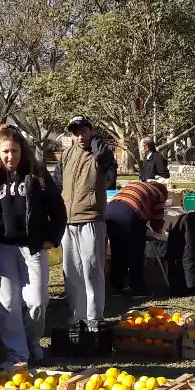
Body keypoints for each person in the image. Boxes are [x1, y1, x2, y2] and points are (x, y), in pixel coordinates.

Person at [0, 125, 67, 367]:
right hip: (3, 247)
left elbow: (58, 209)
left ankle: (31, 341)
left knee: (37, 301)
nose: (10, 156)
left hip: (32, 247)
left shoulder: (36, 174)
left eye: (14, 151)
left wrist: (52, 237)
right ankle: (17, 354)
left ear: (22, 150)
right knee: (7, 303)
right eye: (5, 151)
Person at [54, 116, 116, 330]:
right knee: (71, 270)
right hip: (69, 221)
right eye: (75, 132)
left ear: (90, 130)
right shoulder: (68, 154)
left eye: (84, 131)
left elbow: (107, 159)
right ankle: (77, 316)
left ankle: (94, 317)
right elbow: (58, 181)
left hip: (91, 218)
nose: (80, 136)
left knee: (92, 269)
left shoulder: (98, 152)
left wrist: (96, 142)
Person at [105, 180, 167, 298]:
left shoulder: (135, 184)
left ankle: (117, 287)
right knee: (135, 252)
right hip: (130, 213)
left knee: (118, 251)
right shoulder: (159, 194)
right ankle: (138, 289)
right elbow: (157, 221)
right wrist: (159, 233)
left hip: (111, 212)